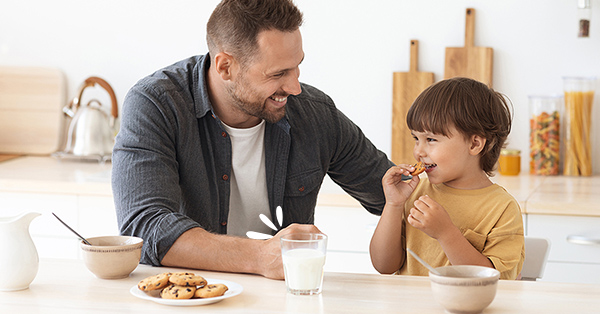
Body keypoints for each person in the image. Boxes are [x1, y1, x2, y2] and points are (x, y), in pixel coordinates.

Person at [111, 0, 393, 280]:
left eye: (296, 67)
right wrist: (260, 257)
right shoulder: (157, 105)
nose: (295, 87)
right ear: (225, 67)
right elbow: (144, 229)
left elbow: (396, 196)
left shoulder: (315, 113)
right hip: (189, 300)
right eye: (278, 74)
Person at [369, 77, 524, 280]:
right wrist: (393, 204)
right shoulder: (414, 193)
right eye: (416, 139)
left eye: (431, 140)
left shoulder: (502, 208)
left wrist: (446, 233)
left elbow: (496, 280)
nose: (418, 151)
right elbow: (384, 266)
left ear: (474, 144)